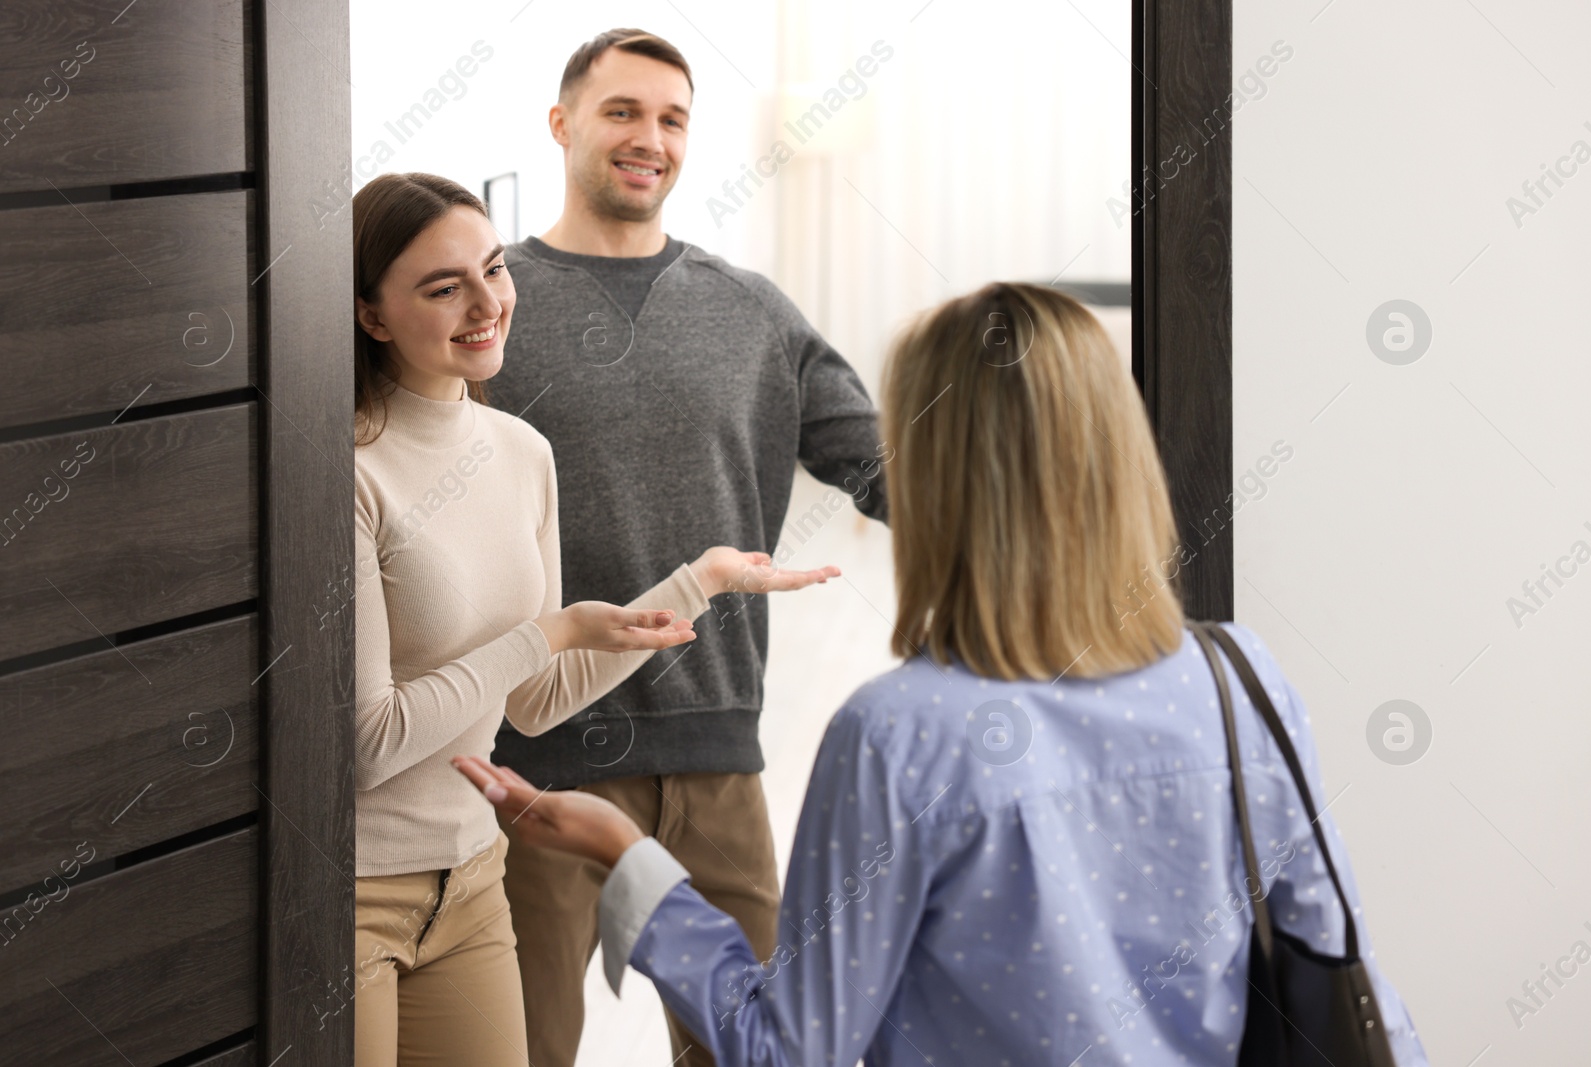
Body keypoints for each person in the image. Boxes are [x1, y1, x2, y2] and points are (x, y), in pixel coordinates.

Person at [456, 281, 1431, 1066]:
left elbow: (785, 1047)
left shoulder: (901, 732)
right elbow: (1343, 969)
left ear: (934, 475)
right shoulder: (1237, 681)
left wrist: (628, 860)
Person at [348, 171, 838, 1066]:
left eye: (493, 270)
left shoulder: (521, 452)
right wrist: (553, 631)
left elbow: (532, 702)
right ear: (372, 315)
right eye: (442, 286)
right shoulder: (351, 471)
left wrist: (698, 582)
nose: (485, 303)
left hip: (473, 881)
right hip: (356, 893)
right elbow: (372, 740)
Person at [483, 28, 892, 1067]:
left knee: (757, 1048)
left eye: (671, 119)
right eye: (622, 111)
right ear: (562, 123)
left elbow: (884, 467)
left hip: (716, 768)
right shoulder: (492, 310)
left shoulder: (752, 312)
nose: (648, 139)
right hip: (536, 766)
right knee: (523, 1049)